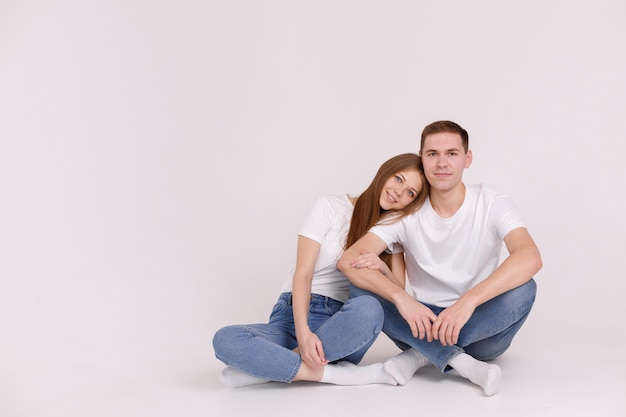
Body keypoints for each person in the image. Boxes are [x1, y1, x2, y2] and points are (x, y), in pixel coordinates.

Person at [338, 120, 542, 396]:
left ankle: (418, 357)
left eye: (452, 153)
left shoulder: (492, 202)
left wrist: (468, 303)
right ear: (422, 159)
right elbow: (349, 261)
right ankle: (458, 361)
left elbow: (530, 256)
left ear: (467, 159)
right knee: (360, 287)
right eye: (432, 154)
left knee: (525, 288)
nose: (442, 162)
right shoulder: (407, 212)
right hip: (419, 323)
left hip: (482, 330)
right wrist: (403, 299)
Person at [213, 153, 430, 387]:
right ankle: (336, 374)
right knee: (226, 340)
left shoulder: (391, 229)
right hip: (296, 313)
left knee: (371, 308)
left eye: (411, 192)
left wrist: (382, 269)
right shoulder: (330, 206)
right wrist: (304, 333)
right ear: (384, 173)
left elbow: (396, 298)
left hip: (343, 327)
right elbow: (303, 274)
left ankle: (267, 370)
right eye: (398, 179)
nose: (400, 191)